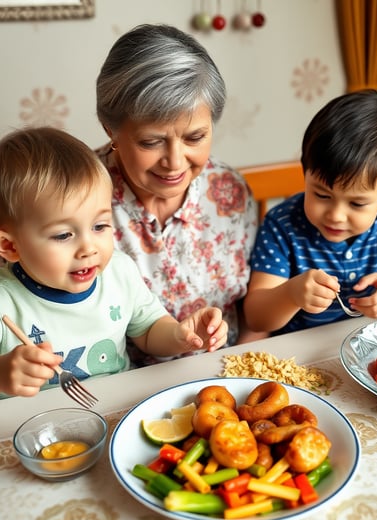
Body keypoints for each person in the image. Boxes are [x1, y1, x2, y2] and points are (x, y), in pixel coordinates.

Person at [0, 127, 228, 410]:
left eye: (99, 226)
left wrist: (180, 336)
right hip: (30, 434)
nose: (88, 249)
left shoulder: (118, 272)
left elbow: (147, 331)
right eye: (63, 235)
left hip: (115, 413)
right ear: (9, 246)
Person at [95, 23, 261, 365]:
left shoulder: (229, 192)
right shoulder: (74, 196)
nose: (174, 162)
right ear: (111, 129)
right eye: (151, 142)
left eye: (194, 138)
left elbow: (252, 309)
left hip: (224, 381)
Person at [243, 89, 377, 335]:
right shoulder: (283, 224)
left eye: (357, 204)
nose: (336, 215)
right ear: (305, 172)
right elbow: (255, 318)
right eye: (322, 195)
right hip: (295, 355)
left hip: (366, 349)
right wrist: (291, 294)